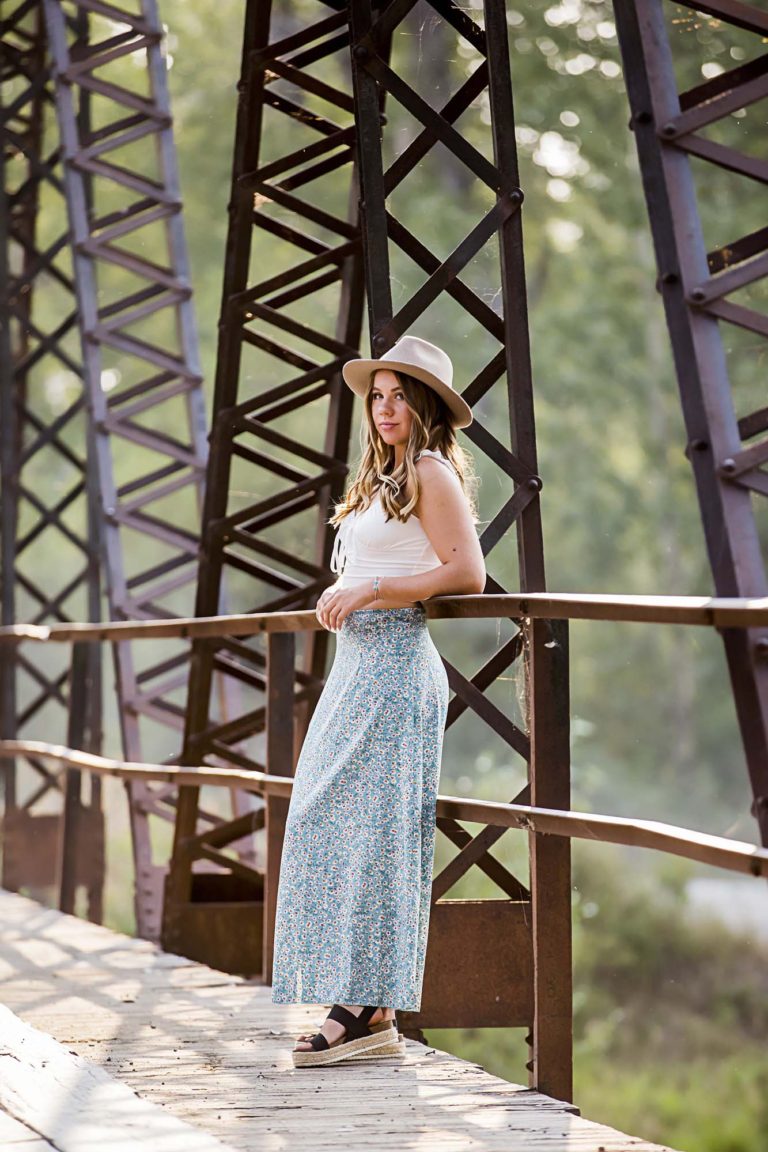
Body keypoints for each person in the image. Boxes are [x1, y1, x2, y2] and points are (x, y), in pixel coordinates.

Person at [270, 334, 486, 1067]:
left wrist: (372, 590)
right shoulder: (382, 476)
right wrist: (353, 586)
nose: (386, 408)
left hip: (394, 665)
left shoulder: (429, 471)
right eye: (378, 395)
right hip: (355, 667)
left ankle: (360, 1009)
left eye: (400, 396)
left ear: (424, 406)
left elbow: (468, 574)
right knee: (325, 818)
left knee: (367, 832)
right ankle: (371, 1004)